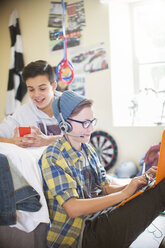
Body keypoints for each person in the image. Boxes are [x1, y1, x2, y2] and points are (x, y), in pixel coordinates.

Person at [39, 90, 165, 248]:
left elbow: (104, 188)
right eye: (85, 123)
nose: (91, 128)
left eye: (92, 121)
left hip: (99, 217)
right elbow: (72, 208)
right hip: (79, 236)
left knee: (154, 187)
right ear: (65, 124)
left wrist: (135, 183)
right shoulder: (53, 157)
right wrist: (123, 194)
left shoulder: (88, 149)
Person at [0, 60, 62, 147]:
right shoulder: (22, 113)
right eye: (31, 89)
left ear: (53, 86)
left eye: (42, 89)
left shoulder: (71, 105)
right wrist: (13, 141)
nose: (36, 95)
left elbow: (84, 137)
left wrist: (47, 141)